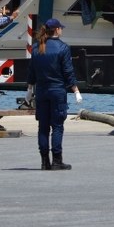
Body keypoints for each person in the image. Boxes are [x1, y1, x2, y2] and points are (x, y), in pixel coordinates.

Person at [26, 18, 81, 170]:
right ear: (57, 30)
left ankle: (44, 162)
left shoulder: (37, 48)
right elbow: (68, 72)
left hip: (41, 91)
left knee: (43, 127)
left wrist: (29, 90)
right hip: (57, 91)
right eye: (60, 28)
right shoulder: (63, 48)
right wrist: (76, 90)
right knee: (57, 126)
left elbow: (32, 71)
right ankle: (57, 160)